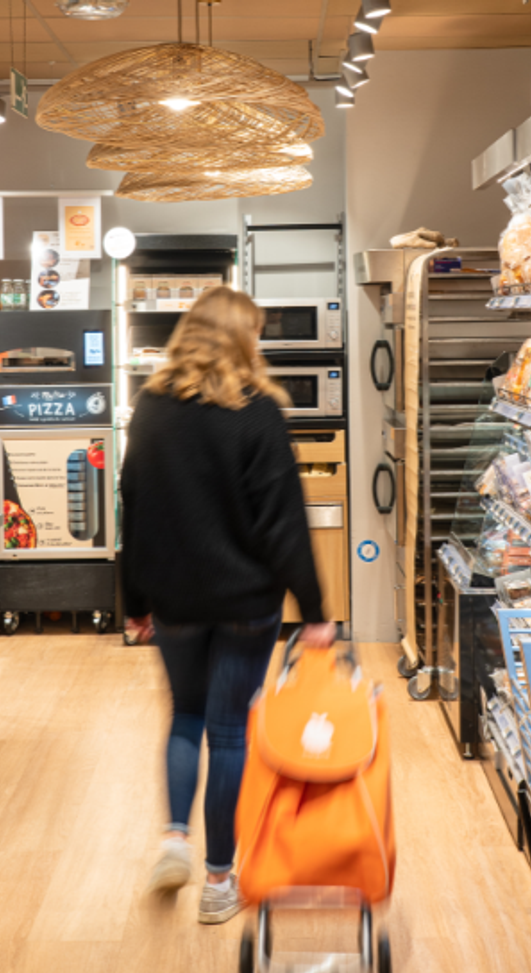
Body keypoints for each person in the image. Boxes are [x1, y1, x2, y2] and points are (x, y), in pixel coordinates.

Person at [120, 285, 335, 925]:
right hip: (246, 602)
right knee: (229, 731)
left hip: (175, 599)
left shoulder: (150, 409)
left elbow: (135, 510)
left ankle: (174, 841)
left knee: (184, 717)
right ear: (245, 339)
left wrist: (135, 602)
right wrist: (315, 610)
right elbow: (284, 525)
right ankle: (219, 880)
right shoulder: (257, 412)